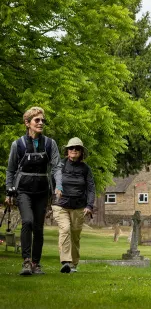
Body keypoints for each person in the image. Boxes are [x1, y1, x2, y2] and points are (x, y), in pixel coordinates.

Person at [5, 107, 63, 276]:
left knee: (38, 228)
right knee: (28, 221)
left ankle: (36, 264)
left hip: (42, 192)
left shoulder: (50, 144)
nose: (41, 123)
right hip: (23, 191)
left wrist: (58, 186)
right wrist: (9, 192)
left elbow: (57, 167)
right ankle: (26, 261)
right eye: (37, 120)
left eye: (42, 120)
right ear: (27, 123)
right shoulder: (18, 144)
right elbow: (10, 170)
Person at [52, 137, 95, 273]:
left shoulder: (86, 169)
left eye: (77, 148)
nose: (74, 150)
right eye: (71, 148)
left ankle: (74, 264)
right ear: (67, 151)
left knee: (75, 235)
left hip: (78, 207)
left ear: (81, 152)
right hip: (61, 205)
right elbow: (52, 181)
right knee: (65, 230)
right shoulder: (61, 165)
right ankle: (65, 261)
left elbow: (91, 188)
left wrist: (89, 206)